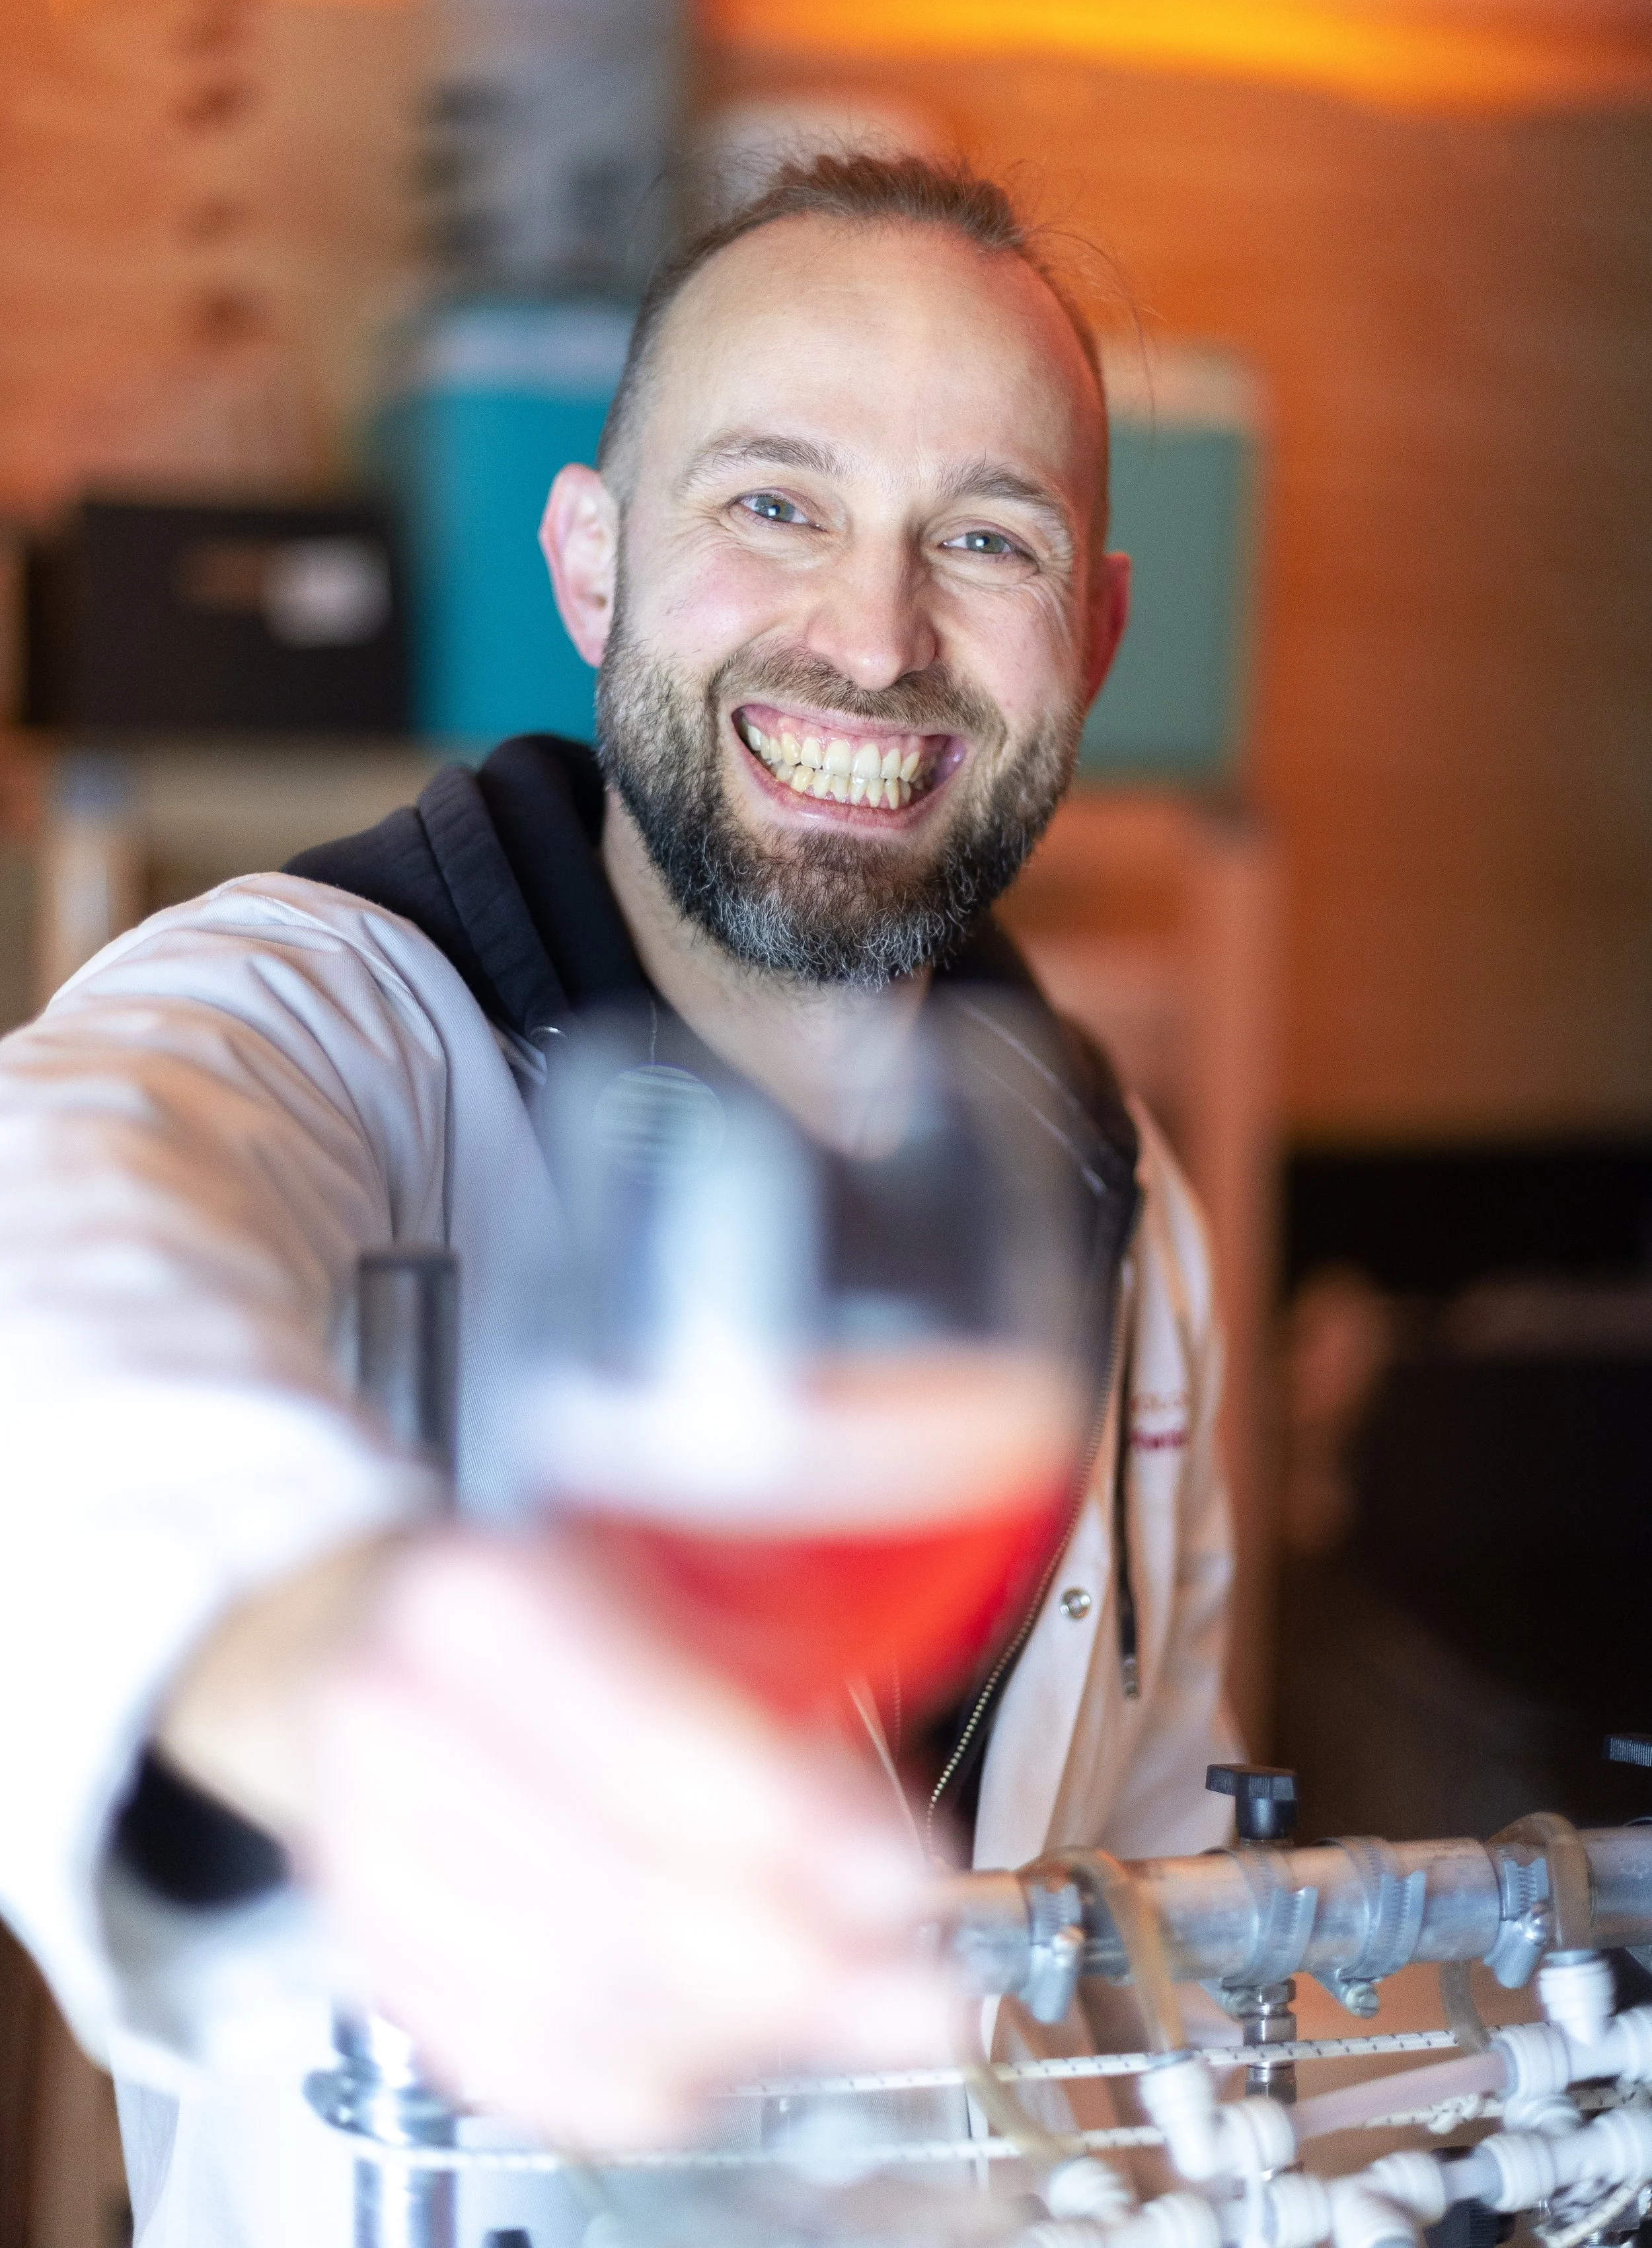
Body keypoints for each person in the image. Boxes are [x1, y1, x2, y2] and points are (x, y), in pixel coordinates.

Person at [0, 154, 1236, 2247]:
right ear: (587, 565)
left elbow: (1157, 1892)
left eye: (986, 536)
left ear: (1094, 634)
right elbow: (48, 1258)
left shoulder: (1115, 1188)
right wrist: (331, 1657)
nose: (872, 633)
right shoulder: (320, 1012)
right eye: (773, 502)